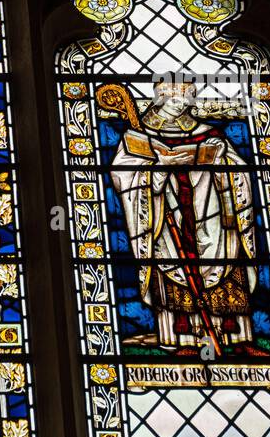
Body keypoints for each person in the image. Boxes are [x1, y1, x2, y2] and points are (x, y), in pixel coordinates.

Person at [110, 80, 257, 351]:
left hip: (211, 211)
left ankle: (235, 338)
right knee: (170, 265)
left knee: (225, 259)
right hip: (165, 213)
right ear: (162, 100)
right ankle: (180, 338)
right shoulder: (139, 134)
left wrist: (220, 158)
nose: (183, 106)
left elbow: (238, 168)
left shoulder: (207, 132)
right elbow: (123, 173)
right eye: (178, 101)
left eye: (187, 101)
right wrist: (157, 169)